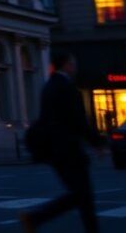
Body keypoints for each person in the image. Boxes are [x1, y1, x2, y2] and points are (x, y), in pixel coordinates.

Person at [18, 51, 104, 232]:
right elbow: (79, 120)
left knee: (80, 195)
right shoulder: (68, 88)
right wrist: (97, 142)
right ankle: (36, 217)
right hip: (69, 150)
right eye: (72, 64)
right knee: (82, 195)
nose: (74, 68)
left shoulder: (48, 86)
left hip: (54, 150)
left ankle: (36, 218)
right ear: (65, 65)